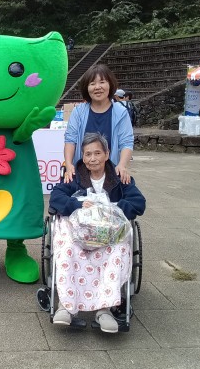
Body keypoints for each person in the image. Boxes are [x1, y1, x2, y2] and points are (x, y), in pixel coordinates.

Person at [49, 132, 146, 332]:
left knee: (118, 248)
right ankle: (66, 306)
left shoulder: (119, 177)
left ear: (107, 154)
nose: (92, 159)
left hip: (109, 232)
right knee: (67, 247)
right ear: (83, 157)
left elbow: (138, 203)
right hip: (79, 230)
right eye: (87, 154)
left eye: (97, 153)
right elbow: (56, 198)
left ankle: (104, 310)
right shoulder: (73, 175)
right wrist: (77, 204)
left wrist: (112, 209)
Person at [64, 64, 133, 185]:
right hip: (82, 173)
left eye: (102, 82)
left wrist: (122, 165)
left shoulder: (121, 112)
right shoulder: (78, 112)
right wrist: (69, 165)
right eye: (92, 83)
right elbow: (70, 140)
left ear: (110, 84)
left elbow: (126, 142)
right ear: (87, 88)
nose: (97, 87)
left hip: (110, 173)